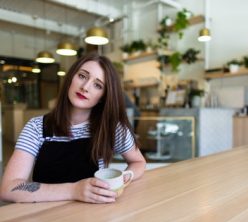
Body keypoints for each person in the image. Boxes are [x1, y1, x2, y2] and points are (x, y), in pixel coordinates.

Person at [0, 53, 146, 204]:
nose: (85, 87)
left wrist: (121, 180)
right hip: (44, 219)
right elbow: (8, 188)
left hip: (95, 217)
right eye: (82, 76)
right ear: (71, 78)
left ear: (103, 96)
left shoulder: (111, 128)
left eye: (98, 85)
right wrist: (74, 190)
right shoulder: (36, 127)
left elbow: (139, 162)